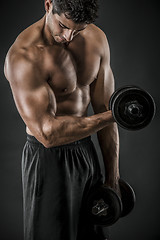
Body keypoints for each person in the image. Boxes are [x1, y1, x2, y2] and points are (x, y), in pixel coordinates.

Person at [4, 0, 120, 239]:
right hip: (47, 159)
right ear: (48, 5)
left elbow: (105, 109)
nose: (68, 36)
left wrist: (112, 177)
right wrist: (113, 115)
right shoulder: (24, 56)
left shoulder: (97, 40)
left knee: (92, 234)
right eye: (62, 26)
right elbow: (48, 134)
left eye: (77, 30)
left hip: (86, 153)